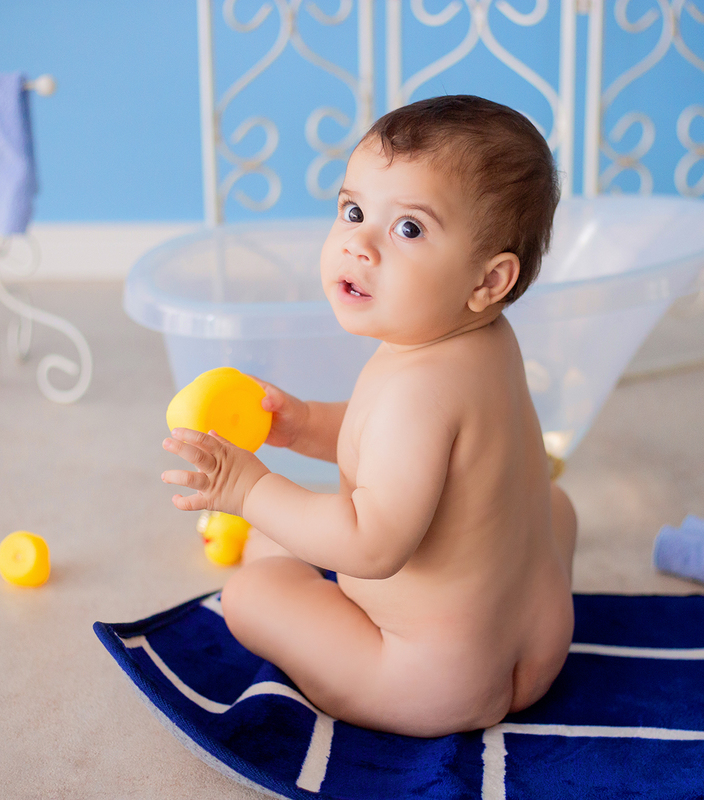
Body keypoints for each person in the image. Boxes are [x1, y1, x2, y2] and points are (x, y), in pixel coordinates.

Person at [161, 95, 576, 738]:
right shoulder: (485, 340)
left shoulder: (415, 389)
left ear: (489, 280)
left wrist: (246, 488)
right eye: (354, 211)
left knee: (252, 593)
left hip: (427, 678)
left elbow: (370, 544)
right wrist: (302, 425)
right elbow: (396, 442)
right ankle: (520, 623)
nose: (359, 243)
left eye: (407, 228)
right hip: (541, 645)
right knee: (550, 502)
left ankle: (419, 660)